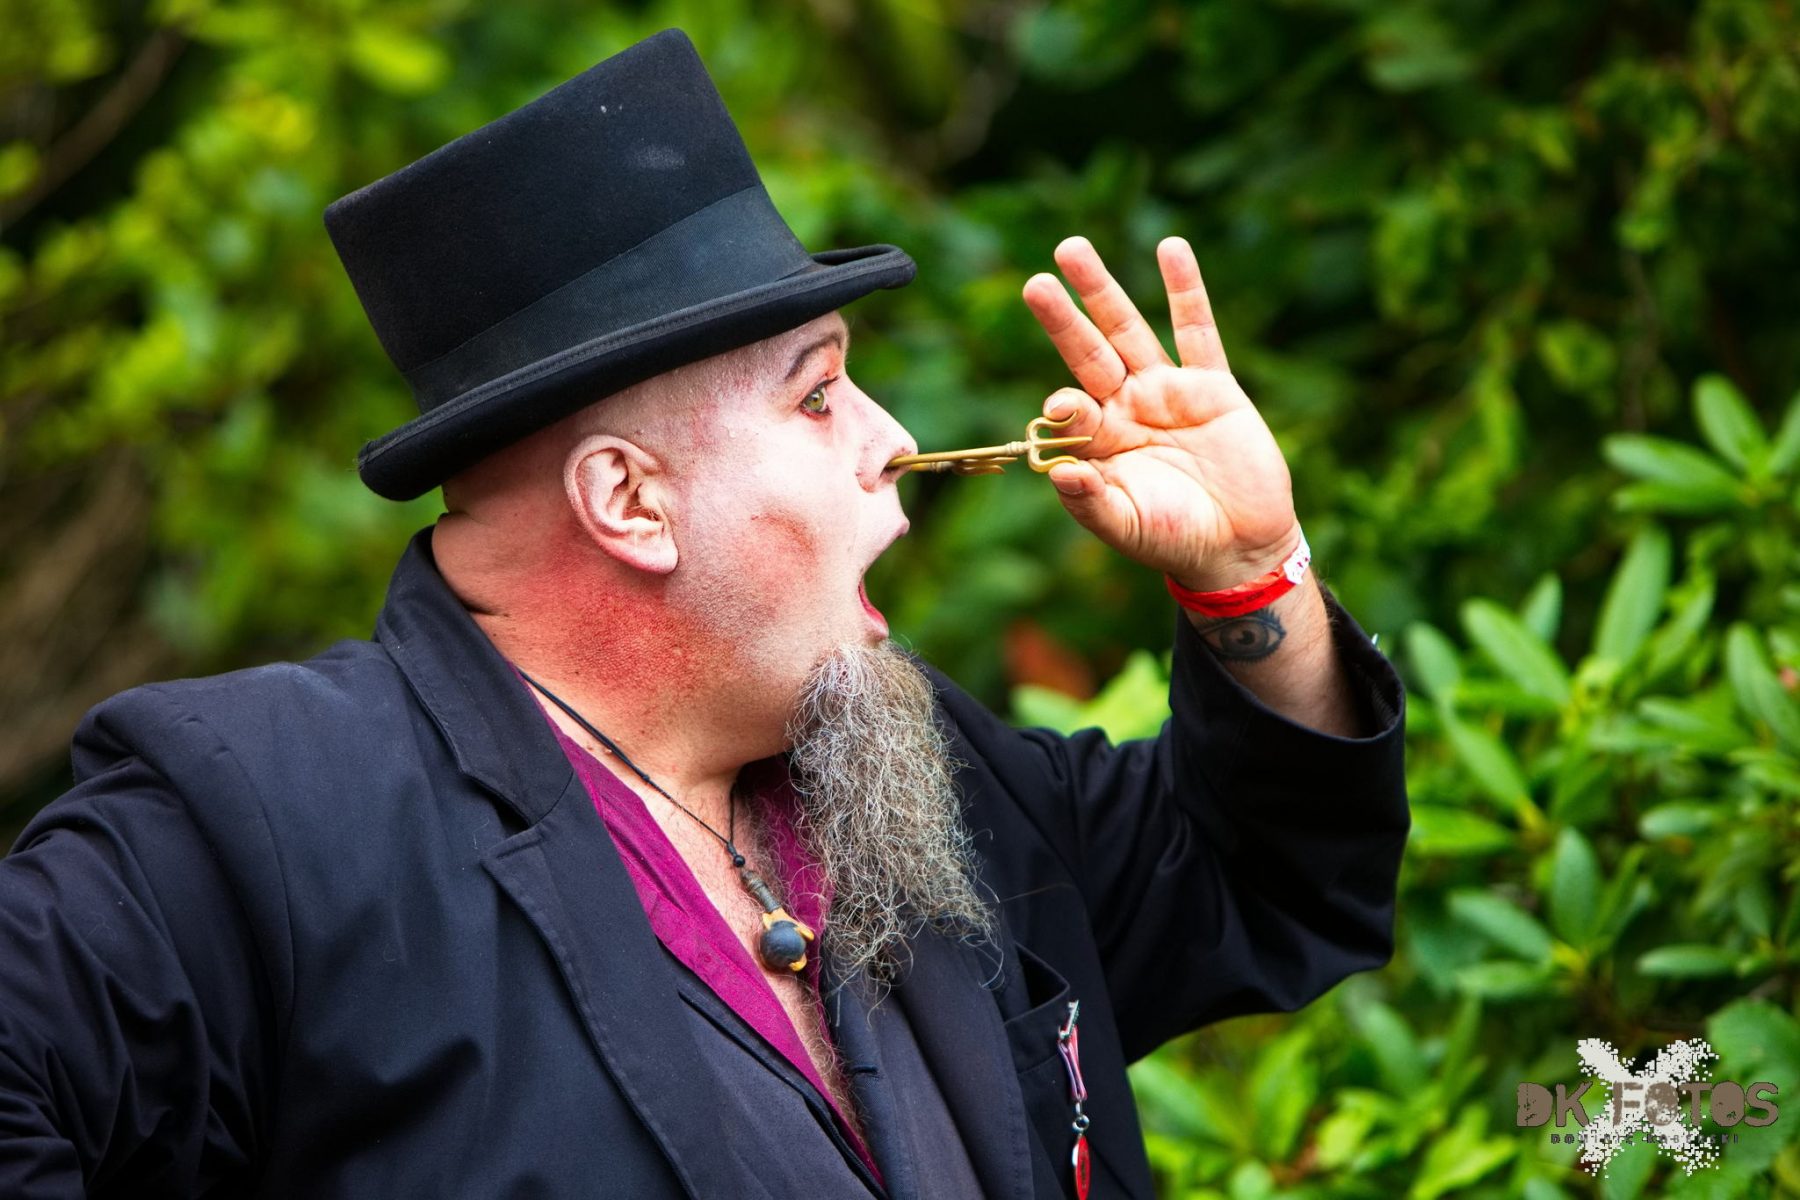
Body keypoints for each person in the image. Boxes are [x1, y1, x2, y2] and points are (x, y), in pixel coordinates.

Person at [0, 27, 1408, 1200]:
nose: (893, 440)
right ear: (630, 500)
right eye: (819, 394)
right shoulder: (256, 818)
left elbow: (1264, 876)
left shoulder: (902, 768)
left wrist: (1250, 576)